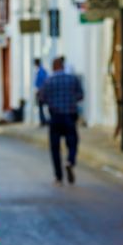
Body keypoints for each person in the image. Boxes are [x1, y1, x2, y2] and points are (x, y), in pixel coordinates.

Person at [41, 56, 83, 185]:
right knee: (73, 142)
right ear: (63, 66)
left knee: (55, 148)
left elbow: (42, 98)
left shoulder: (48, 81)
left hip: (55, 117)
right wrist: (71, 101)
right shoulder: (73, 79)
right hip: (70, 116)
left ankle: (59, 177)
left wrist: (53, 103)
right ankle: (70, 161)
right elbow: (80, 95)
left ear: (54, 67)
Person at [33, 58, 49, 126]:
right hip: (42, 90)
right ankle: (43, 120)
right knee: (41, 106)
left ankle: (43, 121)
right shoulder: (41, 70)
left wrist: (40, 91)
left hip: (42, 91)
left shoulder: (41, 71)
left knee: (41, 106)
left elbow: (43, 81)